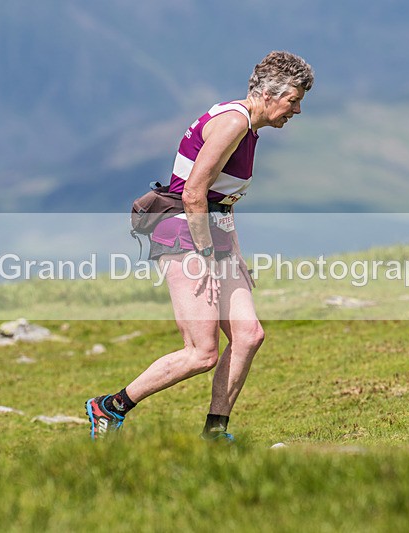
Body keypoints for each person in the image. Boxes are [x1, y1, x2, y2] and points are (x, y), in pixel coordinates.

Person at [86, 51, 314, 442]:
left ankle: (215, 432)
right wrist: (208, 258)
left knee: (248, 335)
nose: (296, 109)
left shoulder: (247, 125)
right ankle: (110, 407)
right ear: (269, 93)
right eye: (293, 99)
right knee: (202, 352)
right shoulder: (233, 123)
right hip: (183, 234)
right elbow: (192, 193)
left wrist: (236, 257)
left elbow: (221, 200)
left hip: (211, 232)